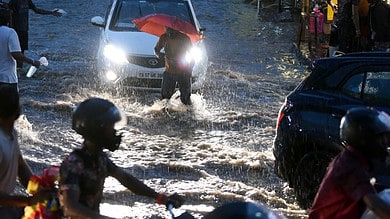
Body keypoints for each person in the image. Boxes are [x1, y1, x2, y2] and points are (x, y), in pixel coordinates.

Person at [59, 97, 185, 218]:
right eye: (111, 127)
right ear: (97, 128)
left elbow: (127, 180)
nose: (115, 132)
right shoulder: (74, 163)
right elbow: (70, 207)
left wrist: (161, 198)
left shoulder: (100, 159)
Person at [308, 107, 390, 219]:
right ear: (366, 139)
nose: (385, 143)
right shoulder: (349, 165)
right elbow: (374, 205)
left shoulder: (352, 158)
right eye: (381, 138)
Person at [0, 84, 54, 219]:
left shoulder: (12, 133)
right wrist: (29, 201)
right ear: (17, 109)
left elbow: (21, 167)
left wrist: (40, 191)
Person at [7, 0, 62, 68]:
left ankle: (19, 69)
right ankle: (13, 69)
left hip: (24, 30)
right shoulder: (14, 1)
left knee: (22, 51)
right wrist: (11, 29)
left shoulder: (27, 1)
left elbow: (36, 10)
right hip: (15, 30)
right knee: (15, 52)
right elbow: (9, 13)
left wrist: (50, 12)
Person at [0, 8, 40, 91]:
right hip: (7, 79)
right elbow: (16, 54)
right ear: (8, 20)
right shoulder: (10, 32)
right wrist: (33, 62)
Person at [154, 27, 194, 105]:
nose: (170, 32)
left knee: (186, 99)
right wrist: (159, 55)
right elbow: (156, 50)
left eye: (172, 30)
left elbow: (192, 56)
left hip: (184, 72)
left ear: (177, 29)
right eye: (167, 30)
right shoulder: (164, 37)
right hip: (169, 72)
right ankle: (165, 115)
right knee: (165, 98)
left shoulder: (185, 38)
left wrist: (189, 70)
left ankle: (189, 114)